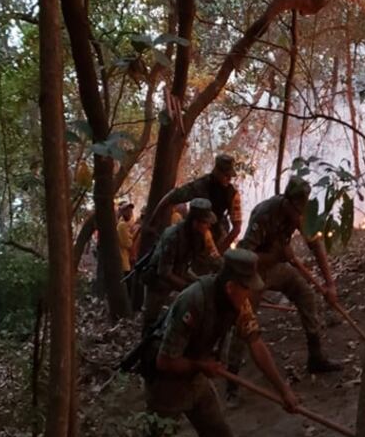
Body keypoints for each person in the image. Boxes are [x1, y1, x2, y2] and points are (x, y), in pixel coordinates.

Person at [143, 248, 299, 437]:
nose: (251, 294)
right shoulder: (192, 302)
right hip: (166, 384)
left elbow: (256, 343)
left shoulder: (239, 302)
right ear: (230, 287)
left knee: (219, 436)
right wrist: (201, 366)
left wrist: (283, 390)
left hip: (196, 378)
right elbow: (164, 361)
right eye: (246, 288)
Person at [229, 176, 341, 378]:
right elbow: (244, 256)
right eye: (297, 211)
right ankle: (232, 374)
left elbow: (316, 245)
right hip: (252, 272)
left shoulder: (300, 213)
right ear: (287, 202)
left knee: (306, 295)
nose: (300, 216)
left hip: (276, 268)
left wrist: (329, 284)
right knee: (245, 317)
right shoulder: (264, 214)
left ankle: (315, 357)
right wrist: (275, 255)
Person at [143, 198, 223, 334]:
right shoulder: (173, 236)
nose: (209, 226)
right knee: (151, 323)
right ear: (195, 222)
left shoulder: (198, 236)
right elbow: (164, 272)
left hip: (179, 273)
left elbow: (211, 258)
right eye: (205, 223)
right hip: (157, 281)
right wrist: (187, 288)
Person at [153, 154, 242, 252]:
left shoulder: (232, 194)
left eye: (230, 176)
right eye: (226, 175)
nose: (229, 179)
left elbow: (237, 228)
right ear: (216, 171)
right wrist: (154, 220)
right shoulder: (200, 185)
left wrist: (220, 250)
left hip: (215, 235)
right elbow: (173, 196)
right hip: (192, 234)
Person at [117, 201, 140, 310]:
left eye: (130, 211)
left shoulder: (125, 225)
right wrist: (137, 232)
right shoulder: (122, 225)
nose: (130, 213)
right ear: (122, 212)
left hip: (125, 261)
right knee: (128, 287)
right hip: (124, 261)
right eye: (127, 211)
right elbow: (128, 244)